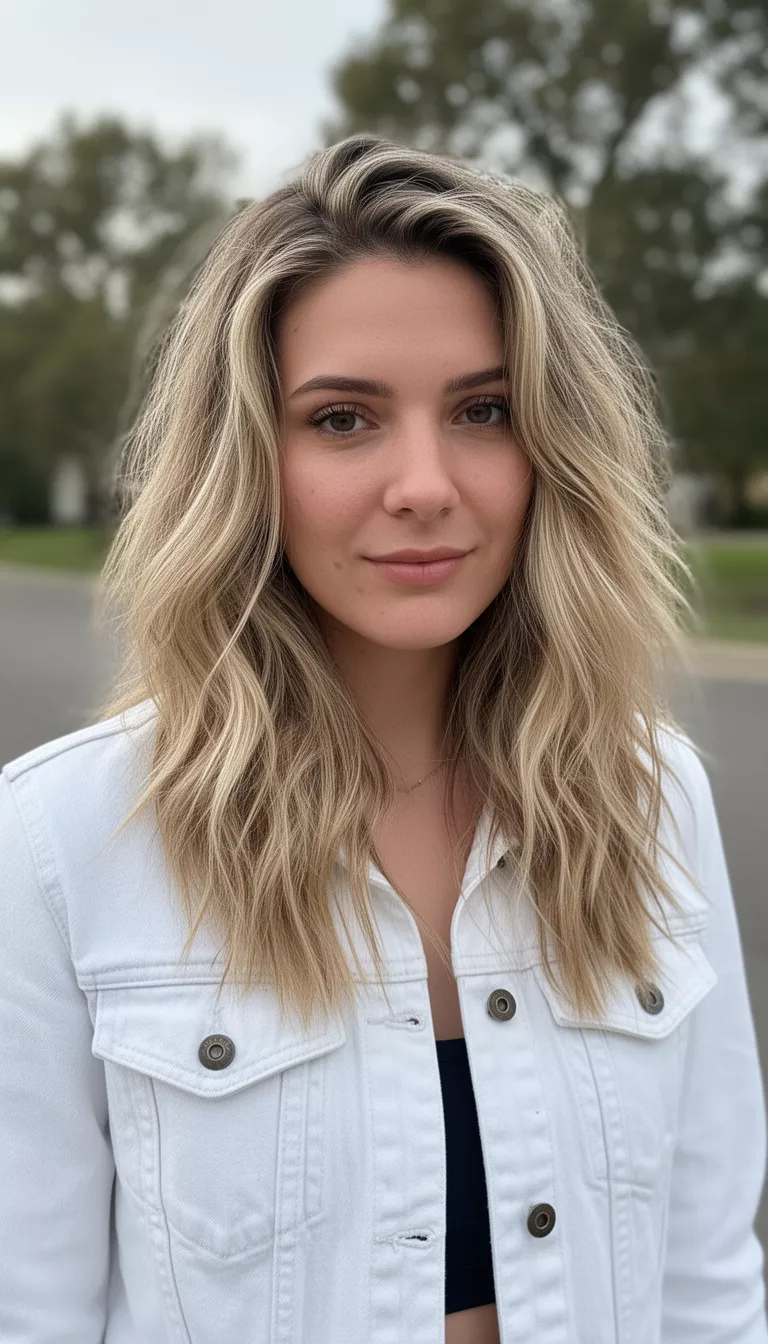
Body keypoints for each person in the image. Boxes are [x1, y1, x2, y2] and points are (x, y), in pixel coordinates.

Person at [0, 132, 765, 1344]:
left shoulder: (650, 796)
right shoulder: (59, 843)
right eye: (345, 418)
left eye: (485, 410)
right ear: (248, 455)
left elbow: (711, 1287)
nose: (424, 482)